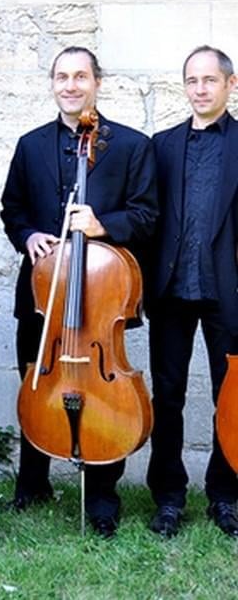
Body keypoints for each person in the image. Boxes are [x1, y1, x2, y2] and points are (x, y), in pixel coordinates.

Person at [1, 46, 158, 537]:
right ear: (52, 84)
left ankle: (102, 493)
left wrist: (101, 224)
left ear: (97, 82)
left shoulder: (131, 146)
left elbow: (147, 215)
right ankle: (33, 483)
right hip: (45, 296)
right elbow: (13, 210)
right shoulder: (30, 146)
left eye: (80, 76)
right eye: (62, 77)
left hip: (100, 296)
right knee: (37, 381)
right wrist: (27, 235)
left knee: (97, 392)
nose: (71, 85)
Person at [145, 45, 238, 538]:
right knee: (168, 395)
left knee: (232, 399)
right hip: (171, 291)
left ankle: (226, 495)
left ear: (230, 84)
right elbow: (146, 218)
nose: (199, 89)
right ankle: (169, 496)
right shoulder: (160, 145)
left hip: (229, 292)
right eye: (191, 81)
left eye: (209, 80)